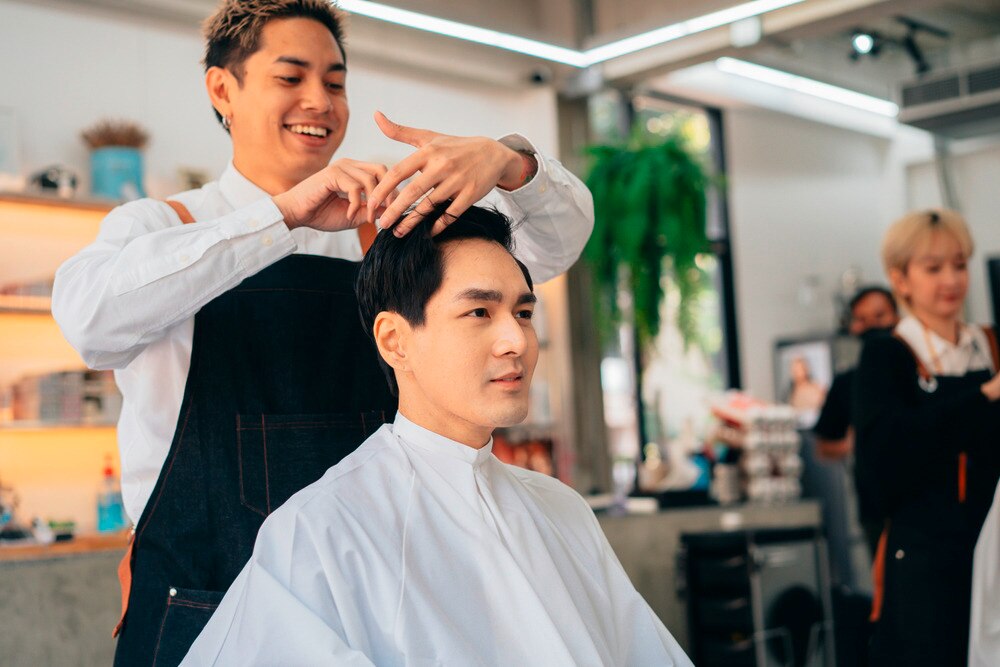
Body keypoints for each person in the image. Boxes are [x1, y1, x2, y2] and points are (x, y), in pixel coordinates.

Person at [50, 1, 593, 664]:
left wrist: (509, 161)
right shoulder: (159, 227)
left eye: (335, 83)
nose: (320, 100)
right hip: (201, 606)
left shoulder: (388, 236)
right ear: (223, 88)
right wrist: (282, 217)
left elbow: (554, 244)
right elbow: (88, 321)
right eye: (291, 77)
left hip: (368, 609)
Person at [181, 204, 692, 666]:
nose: (516, 340)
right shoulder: (322, 532)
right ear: (395, 340)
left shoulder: (563, 510)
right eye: (479, 313)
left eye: (524, 313)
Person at [853, 209, 1000, 667]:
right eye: (933, 268)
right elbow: (882, 462)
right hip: (925, 563)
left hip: (993, 549)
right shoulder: (887, 355)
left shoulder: (991, 345)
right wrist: (984, 396)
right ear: (901, 278)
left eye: (959, 265)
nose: (951, 280)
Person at [813, 286, 899, 554]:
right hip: (876, 506)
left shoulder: (917, 371)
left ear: (896, 316)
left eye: (880, 315)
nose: (873, 325)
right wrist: (849, 444)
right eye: (863, 319)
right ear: (852, 326)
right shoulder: (845, 384)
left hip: (927, 501)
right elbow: (823, 447)